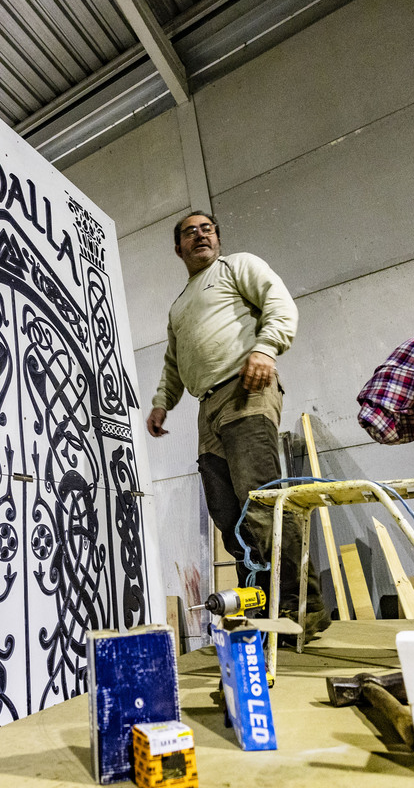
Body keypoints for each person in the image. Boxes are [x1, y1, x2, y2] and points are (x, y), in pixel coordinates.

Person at [147, 211, 328, 636]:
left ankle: (304, 606)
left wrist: (266, 348)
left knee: (262, 502)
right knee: (228, 514)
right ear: (178, 249)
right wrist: (161, 404)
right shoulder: (178, 307)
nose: (199, 236)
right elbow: (173, 365)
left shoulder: (237, 266)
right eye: (189, 233)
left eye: (206, 229)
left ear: (218, 239)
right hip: (207, 408)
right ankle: (263, 600)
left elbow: (278, 303)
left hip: (245, 389)